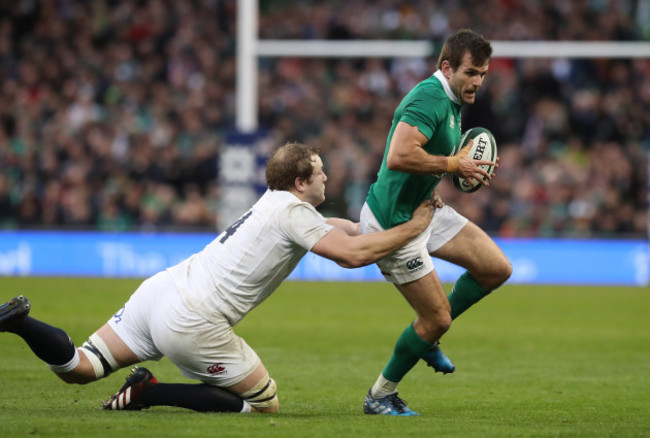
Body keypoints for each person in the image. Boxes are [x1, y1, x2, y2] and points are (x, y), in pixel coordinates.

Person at [0, 142, 435, 414]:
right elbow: (353, 256)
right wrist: (415, 227)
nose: (327, 176)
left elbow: (352, 233)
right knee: (263, 404)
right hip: (193, 318)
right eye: (320, 172)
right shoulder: (294, 212)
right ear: (301, 182)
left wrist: (381, 224)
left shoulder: (275, 202)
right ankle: (149, 392)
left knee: (80, 367)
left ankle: (21, 322)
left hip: (162, 290)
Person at [360, 29, 513, 416]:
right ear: (447, 67)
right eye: (471, 72)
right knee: (437, 318)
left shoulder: (451, 100)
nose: (478, 81)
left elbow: (424, 156)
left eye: (483, 73)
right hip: (393, 223)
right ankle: (379, 396)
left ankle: (425, 338)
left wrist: (438, 177)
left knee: (496, 268)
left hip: (423, 208)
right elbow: (397, 156)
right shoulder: (429, 97)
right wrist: (451, 164)